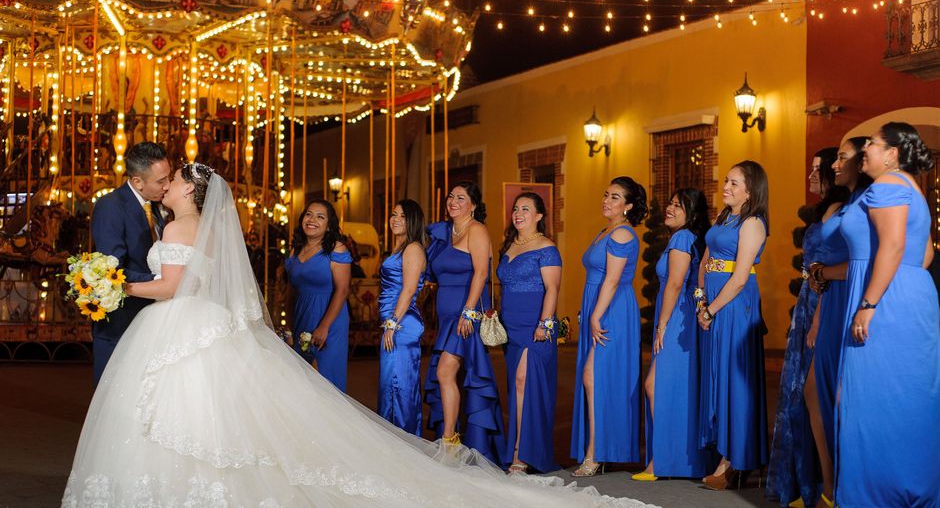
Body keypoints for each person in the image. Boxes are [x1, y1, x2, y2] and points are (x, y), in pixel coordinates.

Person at [63, 164, 656, 508]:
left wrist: (115, 286)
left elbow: (171, 286)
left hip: (182, 318)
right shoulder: (179, 220)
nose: (162, 185)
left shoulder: (184, 221)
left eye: (170, 180)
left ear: (190, 191)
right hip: (190, 324)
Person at [835, 123, 940, 507]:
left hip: (887, 298)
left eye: (873, 144)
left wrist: (869, 303)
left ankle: (876, 496)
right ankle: (914, 490)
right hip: (913, 294)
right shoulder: (912, 186)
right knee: (906, 396)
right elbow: (925, 254)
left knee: (870, 399)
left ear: (893, 153)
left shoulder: (888, 185)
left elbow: (893, 246)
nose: (866, 149)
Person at [765, 148, 845, 506]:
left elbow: (837, 263)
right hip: (808, 302)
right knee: (800, 394)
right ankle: (807, 483)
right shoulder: (824, 210)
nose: (811, 175)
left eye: (818, 169)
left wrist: (816, 317)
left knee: (817, 392)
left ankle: (829, 486)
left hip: (825, 301)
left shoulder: (842, 211)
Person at [804, 137, 871, 507]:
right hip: (830, 301)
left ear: (861, 162)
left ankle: (843, 487)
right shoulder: (848, 205)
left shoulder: (866, 204)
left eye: (840, 158)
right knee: (815, 392)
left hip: (850, 299)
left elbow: (867, 261)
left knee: (840, 396)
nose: (832, 165)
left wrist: (824, 271)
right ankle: (830, 485)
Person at [697, 160, 769, 490]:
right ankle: (722, 451)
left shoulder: (753, 223)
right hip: (711, 301)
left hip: (734, 306)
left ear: (751, 190)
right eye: (726, 180)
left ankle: (735, 460)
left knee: (733, 380)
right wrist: (700, 297)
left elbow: (740, 278)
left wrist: (710, 309)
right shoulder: (725, 217)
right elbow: (706, 258)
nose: (725, 186)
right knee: (717, 376)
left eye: (734, 183)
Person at [634, 188, 715, 482]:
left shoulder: (682, 238)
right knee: (676, 388)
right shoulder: (688, 237)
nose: (669, 208)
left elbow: (675, 283)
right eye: (670, 202)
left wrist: (662, 325)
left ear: (691, 212)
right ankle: (671, 460)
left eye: (678, 206)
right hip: (681, 317)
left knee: (656, 385)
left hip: (677, 317)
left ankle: (662, 461)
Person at [571, 177, 648, 476]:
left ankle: (596, 452)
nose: (606, 200)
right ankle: (597, 449)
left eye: (615, 197)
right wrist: (589, 310)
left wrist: (595, 315)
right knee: (594, 377)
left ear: (628, 206)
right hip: (599, 304)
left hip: (612, 309)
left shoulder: (622, 236)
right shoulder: (607, 231)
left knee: (594, 376)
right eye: (606, 195)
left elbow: (613, 280)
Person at [423, 181, 505, 464]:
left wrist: (468, 312)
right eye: (450, 197)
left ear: (473, 205)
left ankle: (449, 441)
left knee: (446, 372)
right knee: (450, 376)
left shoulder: (477, 230)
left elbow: (482, 273)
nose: (453, 201)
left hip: (464, 315)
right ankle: (453, 437)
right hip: (446, 317)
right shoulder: (444, 233)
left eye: (461, 197)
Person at [89, 142, 170, 385]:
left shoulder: (157, 206)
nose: (167, 186)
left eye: (169, 178)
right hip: (120, 322)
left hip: (152, 319)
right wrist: (161, 283)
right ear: (137, 181)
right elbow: (110, 271)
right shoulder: (111, 207)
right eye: (161, 181)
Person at [496, 192, 562, 475]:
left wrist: (544, 324)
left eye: (526, 209)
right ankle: (519, 448)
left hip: (535, 326)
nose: (518, 213)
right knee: (516, 387)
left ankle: (520, 454)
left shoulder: (547, 248)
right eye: (515, 208)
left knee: (525, 383)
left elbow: (553, 289)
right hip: (510, 326)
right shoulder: (509, 246)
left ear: (538, 216)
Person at [284, 199, 352, 391]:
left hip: (330, 318)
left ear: (329, 225)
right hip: (302, 315)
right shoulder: (295, 251)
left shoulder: (336, 249)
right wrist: (289, 327)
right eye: (308, 214)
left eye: (320, 217)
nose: (312, 220)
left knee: (326, 380)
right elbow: (290, 291)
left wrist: (324, 326)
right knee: (302, 380)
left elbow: (343, 290)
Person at [378, 199, 428, 435]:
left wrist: (392, 323)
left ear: (413, 221)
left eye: (402, 216)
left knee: (400, 388)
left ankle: (404, 444)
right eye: (393, 214)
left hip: (402, 324)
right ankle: (392, 444)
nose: (395, 219)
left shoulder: (413, 248)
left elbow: (408, 290)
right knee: (390, 386)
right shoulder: (398, 248)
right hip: (395, 323)